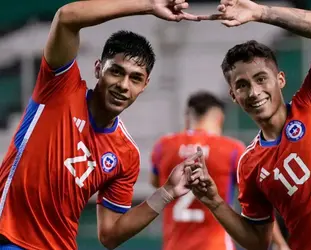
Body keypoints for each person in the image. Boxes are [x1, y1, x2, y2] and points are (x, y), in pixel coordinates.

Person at [0, 0, 203, 249]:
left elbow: (109, 234)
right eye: (116, 71)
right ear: (98, 69)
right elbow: (66, 17)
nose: (123, 85)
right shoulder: (60, 88)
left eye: (135, 78)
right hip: (7, 236)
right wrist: (148, 5)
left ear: (144, 86)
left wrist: (167, 192)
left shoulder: (126, 155)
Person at [189, 1, 311, 250]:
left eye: (261, 79)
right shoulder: (249, 164)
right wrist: (214, 201)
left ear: (281, 79)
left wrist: (260, 12)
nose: (254, 91)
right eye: (242, 85)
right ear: (233, 96)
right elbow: (258, 241)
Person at [150, 91, 290, 250]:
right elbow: (258, 203)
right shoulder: (231, 149)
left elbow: (156, 183)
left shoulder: (164, 146)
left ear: (188, 117)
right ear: (219, 118)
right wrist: (280, 243)